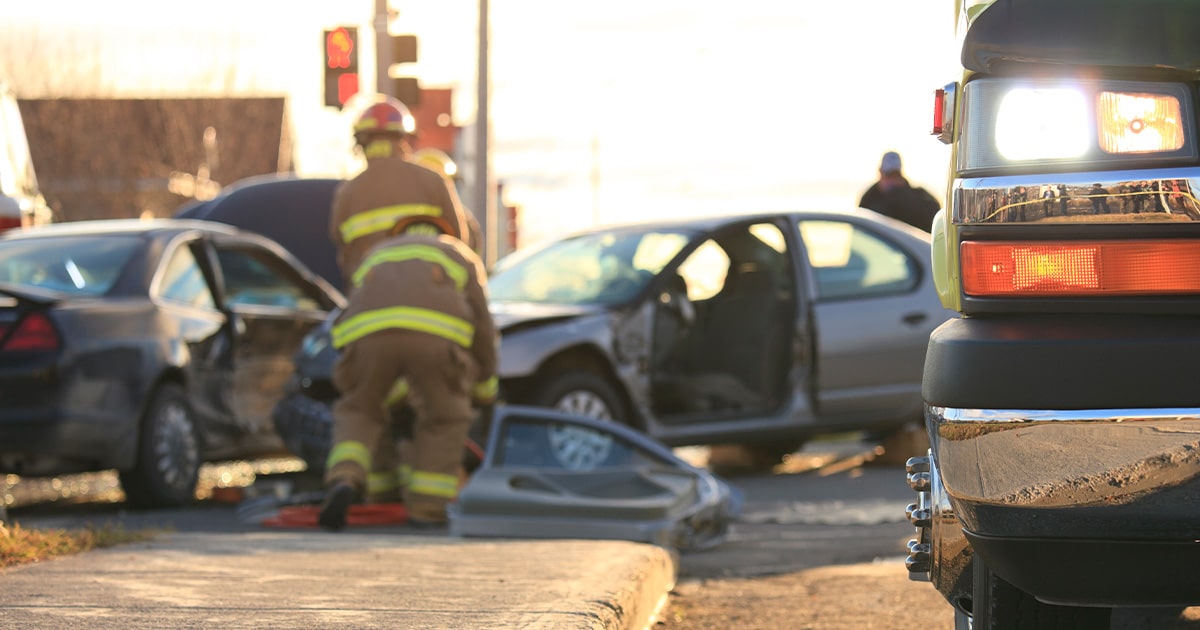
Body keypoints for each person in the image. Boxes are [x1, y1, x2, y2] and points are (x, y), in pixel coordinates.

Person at [319, 212, 499, 531]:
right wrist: (485, 386)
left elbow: (353, 307)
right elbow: (483, 328)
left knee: (361, 410)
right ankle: (427, 507)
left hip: (367, 339)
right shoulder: (458, 254)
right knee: (444, 417)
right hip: (435, 341)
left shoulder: (377, 255)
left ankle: (347, 478)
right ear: (445, 231)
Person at [329, 94, 473, 289]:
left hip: (370, 300)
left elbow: (341, 250)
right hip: (431, 296)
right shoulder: (434, 182)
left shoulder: (347, 194)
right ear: (406, 140)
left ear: (361, 144)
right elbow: (460, 243)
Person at [858, 151, 941, 231]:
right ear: (880, 172)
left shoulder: (917, 198)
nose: (892, 181)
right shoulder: (868, 199)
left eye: (896, 176)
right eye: (889, 176)